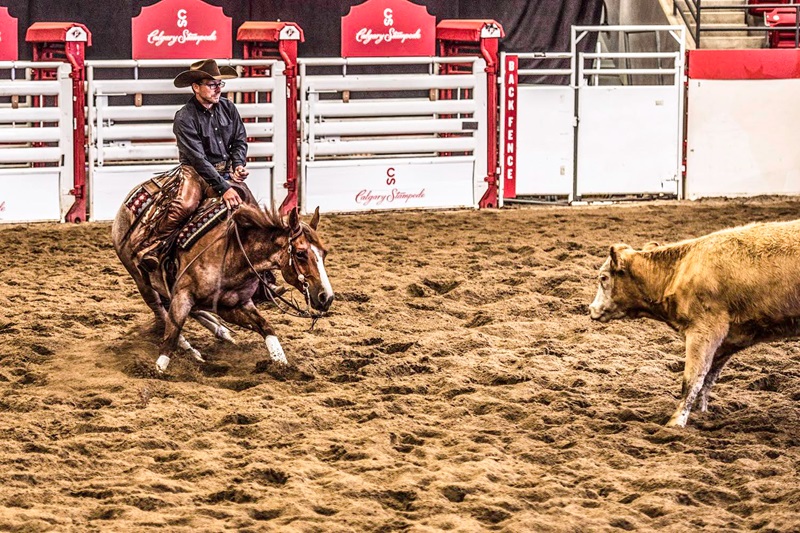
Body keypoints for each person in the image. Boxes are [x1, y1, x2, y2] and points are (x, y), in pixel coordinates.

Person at [136, 59, 249, 272]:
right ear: (196, 87)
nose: (218, 89)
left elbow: (239, 140)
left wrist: (237, 164)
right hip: (195, 172)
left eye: (219, 84)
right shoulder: (184, 117)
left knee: (251, 210)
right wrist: (224, 188)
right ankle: (151, 246)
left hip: (225, 169)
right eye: (212, 85)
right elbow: (198, 159)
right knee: (185, 205)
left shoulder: (228, 108)